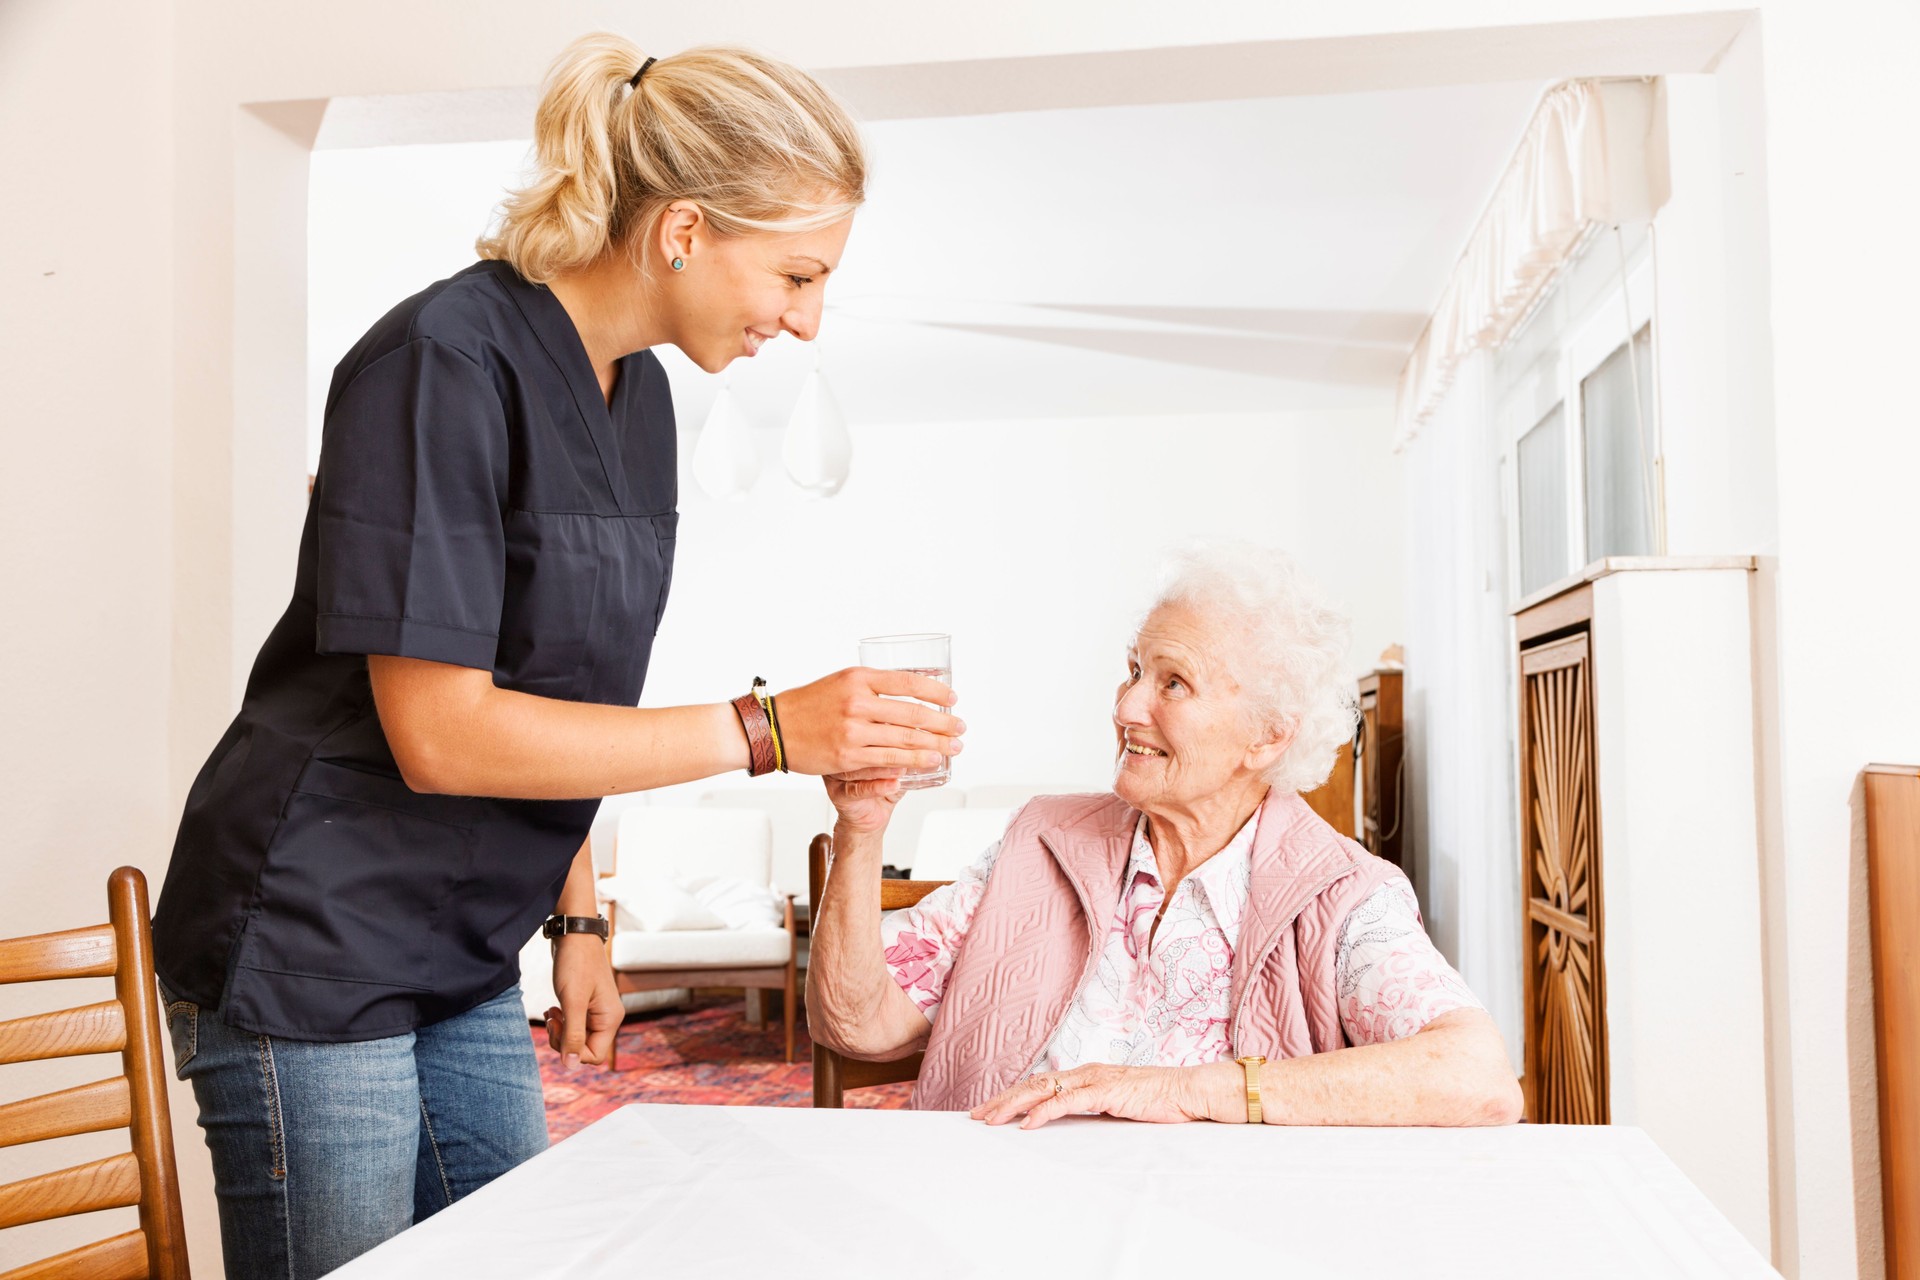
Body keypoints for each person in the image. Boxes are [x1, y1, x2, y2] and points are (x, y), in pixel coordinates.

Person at [151, 33, 963, 1277]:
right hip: (317, 930)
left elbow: (563, 693)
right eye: (796, 276)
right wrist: (767, 728)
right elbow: (444, 731)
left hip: (468, 945)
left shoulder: (639, 398)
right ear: (686, 228)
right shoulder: (441, 363)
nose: (805, 320)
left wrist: (578, 915)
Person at [807, 542, 1520, 1128]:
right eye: (1135, 671)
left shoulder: (1339, 896)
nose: (1127, 706)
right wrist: (862, 830)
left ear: (1268, 736)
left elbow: (1478, 1079)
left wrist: (1187, 1090)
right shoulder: (1042, 842)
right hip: (996, 1217)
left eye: (1173, 683)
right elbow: (857, 1024)